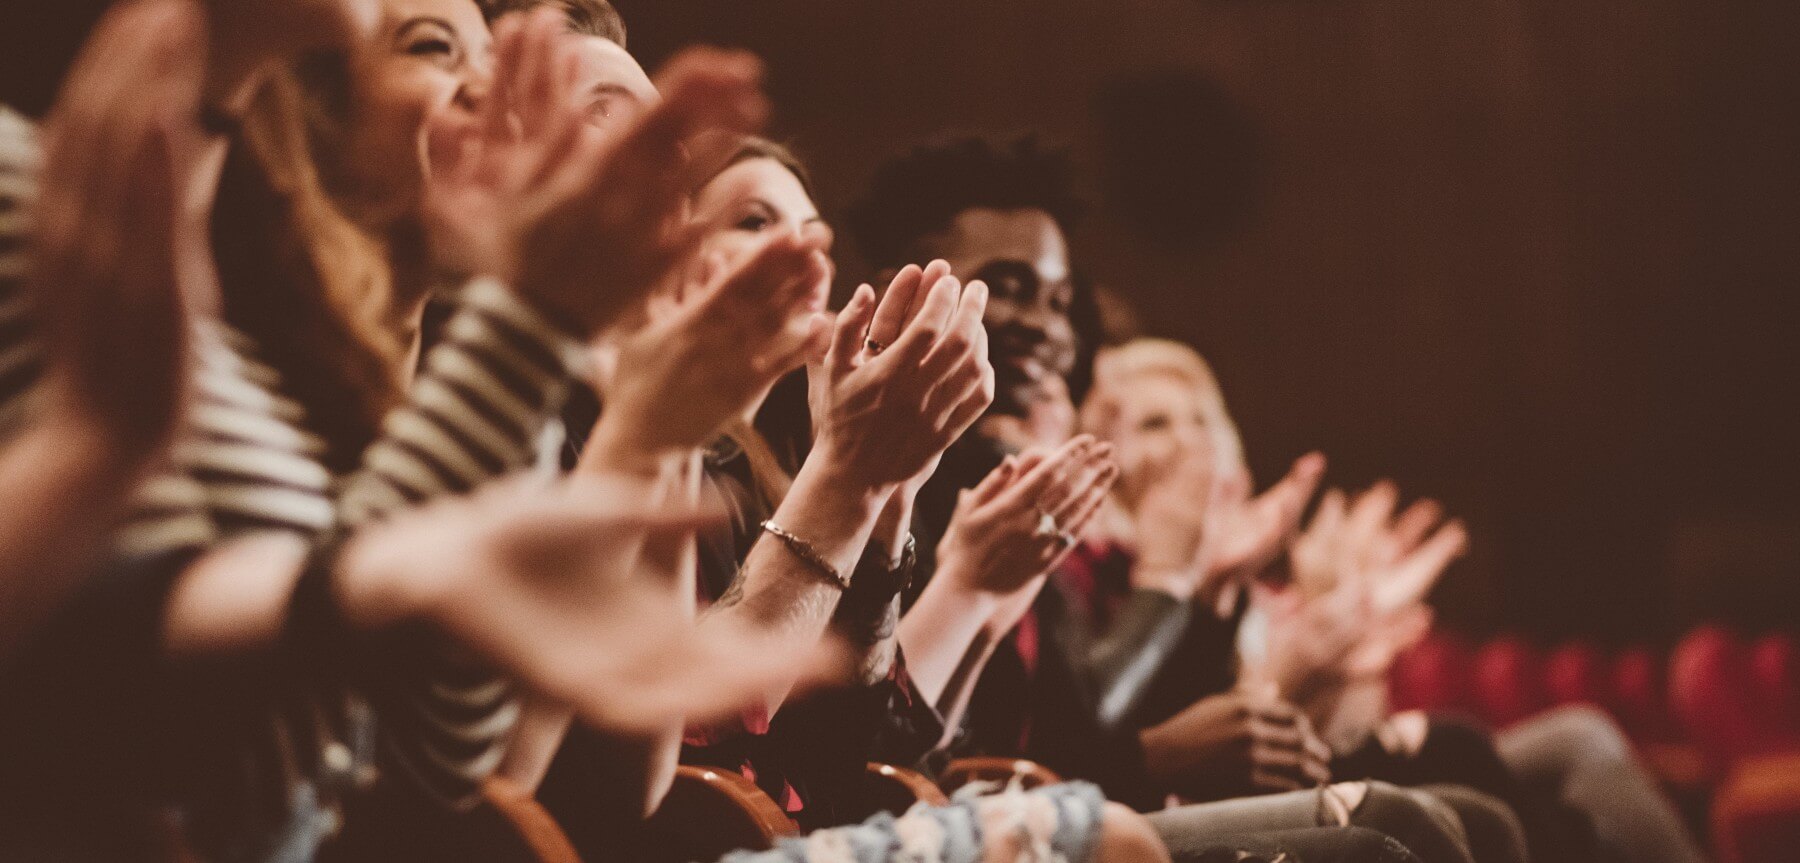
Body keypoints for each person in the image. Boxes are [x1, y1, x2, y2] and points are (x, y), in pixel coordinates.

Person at [849, 135, 1483, 863]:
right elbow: (1006, 745)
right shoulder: (904, 480)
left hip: (1053, 808)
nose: (1048, 327)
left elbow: (1085, 721)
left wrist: (1208, 589)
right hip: (981, 827)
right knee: (1390, 829)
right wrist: (1174, 580)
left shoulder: (1004, 470)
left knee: (1459, 797)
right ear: (905, 289)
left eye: (1057, 300)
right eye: (1010, 287)